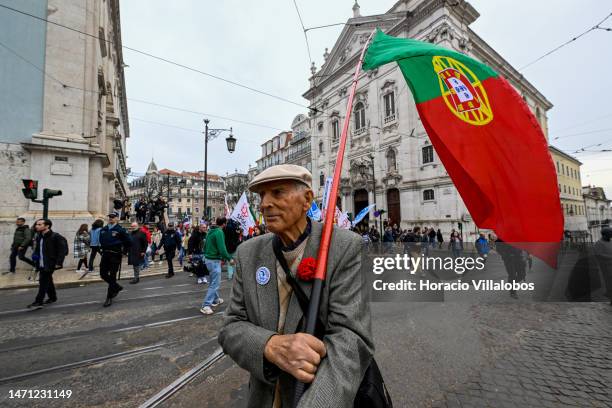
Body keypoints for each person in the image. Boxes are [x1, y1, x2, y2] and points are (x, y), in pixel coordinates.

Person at [218, 164, 374, 407]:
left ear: (307, 199)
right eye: (262, 195)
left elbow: (350, 338)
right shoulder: (247, 254)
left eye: (277, 192)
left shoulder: (344, 247)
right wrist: (269, 346)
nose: (265, 203)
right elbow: (230, 328)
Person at [28, 219, 67, 308]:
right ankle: (52, 297)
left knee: (43, 281)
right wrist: (36, 256)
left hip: (50, 263)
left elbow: (62, 250)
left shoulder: (55, 236)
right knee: (48, 280)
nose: (36, 226)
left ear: (47, 226)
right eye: (36, 224)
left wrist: (59, 262)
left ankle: (38, 301)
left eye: (39, 224)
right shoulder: (39, 236)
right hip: (41, 263)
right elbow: (38, 249)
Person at [200, 217, 233, 314]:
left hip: (208, 259)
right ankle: (205, 305)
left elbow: (205, 246)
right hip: (214, 260)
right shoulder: (219, 232)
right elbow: (222, 249)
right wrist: (229, 258)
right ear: (224, 224)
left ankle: (215, 299)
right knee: (215, 284)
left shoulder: (210, 231)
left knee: (212, 282)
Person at [99, 213, 131, 307]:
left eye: (113, 217)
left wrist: (124, 251)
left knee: (112, 276)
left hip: (115, 255)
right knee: (103, 274)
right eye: (110, 217)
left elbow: (128, 241)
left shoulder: (120, 229)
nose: (111, 219)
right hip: (105, 254)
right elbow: (101, 240)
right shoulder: (104, 229)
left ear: (117, 218)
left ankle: (109, 297)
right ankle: (116, 287)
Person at [593, 227, 612, 305]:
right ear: (605, 234)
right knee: (609, 282)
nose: (611, 234)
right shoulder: (599, 243)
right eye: (610, 233)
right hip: (606, 266)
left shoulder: (610, 242)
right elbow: (599, 255)